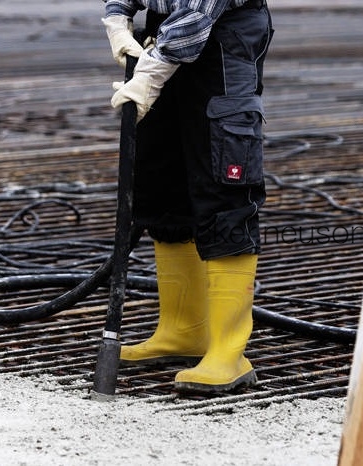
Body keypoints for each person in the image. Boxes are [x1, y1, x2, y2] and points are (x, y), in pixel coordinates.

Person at [101, 0, 273, 394]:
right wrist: (117, 17)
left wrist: (151, 74)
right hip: (163, 34)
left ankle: (229, 352)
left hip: (222, 35)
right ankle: (184, 330)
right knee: (162, 181)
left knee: (224, 187)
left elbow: (198, 13)